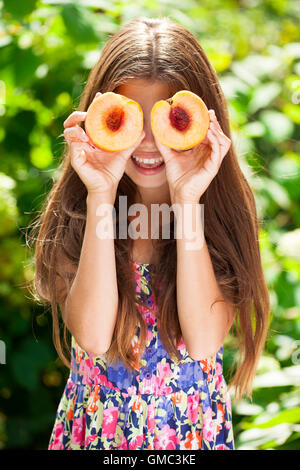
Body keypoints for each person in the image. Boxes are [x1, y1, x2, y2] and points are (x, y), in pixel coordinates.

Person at [28, 16, 270, 450]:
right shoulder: (79, 211)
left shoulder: (219, 216)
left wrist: (187, 200)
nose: (147, 144)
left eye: (170, 123)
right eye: (127, 121)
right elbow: (94, 335)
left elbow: (202, 341)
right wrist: (101, 194)